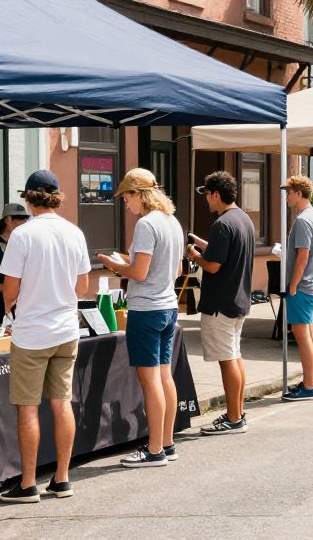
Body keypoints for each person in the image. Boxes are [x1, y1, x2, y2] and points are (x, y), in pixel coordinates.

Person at [0, 170, 90, 503]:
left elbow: (9, 290)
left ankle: (27, 484)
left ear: (28, 198)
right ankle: (62, 478)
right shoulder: (74, 233)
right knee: (62, 403)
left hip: (32, 334)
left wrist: (13, 308)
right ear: (56, 197)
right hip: (66, 328)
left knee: (27, 409)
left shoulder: (22, 235)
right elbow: (83, 288)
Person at [100, 169, 183, 467]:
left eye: (127, 197)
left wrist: (115, 265)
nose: (126, 204)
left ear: (139, 194)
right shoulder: (172, 222)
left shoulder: (146, 224)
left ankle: (154, 449)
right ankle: (168, 443)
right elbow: (177, 271)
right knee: (164, 377)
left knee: (150, 382)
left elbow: (139, 273)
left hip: (146, 309)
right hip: (168, 305)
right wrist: (129, 261)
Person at [187, 171, 255, 434]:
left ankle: (234, 419)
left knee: (227, 360)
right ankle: (236, 412)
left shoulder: (222, 224)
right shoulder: (243, 219)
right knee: (235, 357)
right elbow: (224, 250)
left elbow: (213, 265)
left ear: (216, 194)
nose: (206, 200)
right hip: (238, 299)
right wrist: (203, 245)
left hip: (220, 303)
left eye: (207, 194)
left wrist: (194, 254)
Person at [281, 175, 313, 401]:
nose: (286, 196)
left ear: (299, 192)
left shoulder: (303, 220)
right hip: (312, 283)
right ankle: (310, 381)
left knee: (303, 335)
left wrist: (293, 285)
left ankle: (309, 386)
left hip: (303, 285)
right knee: (308, 334)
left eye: (289, 192)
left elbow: (302, 256)